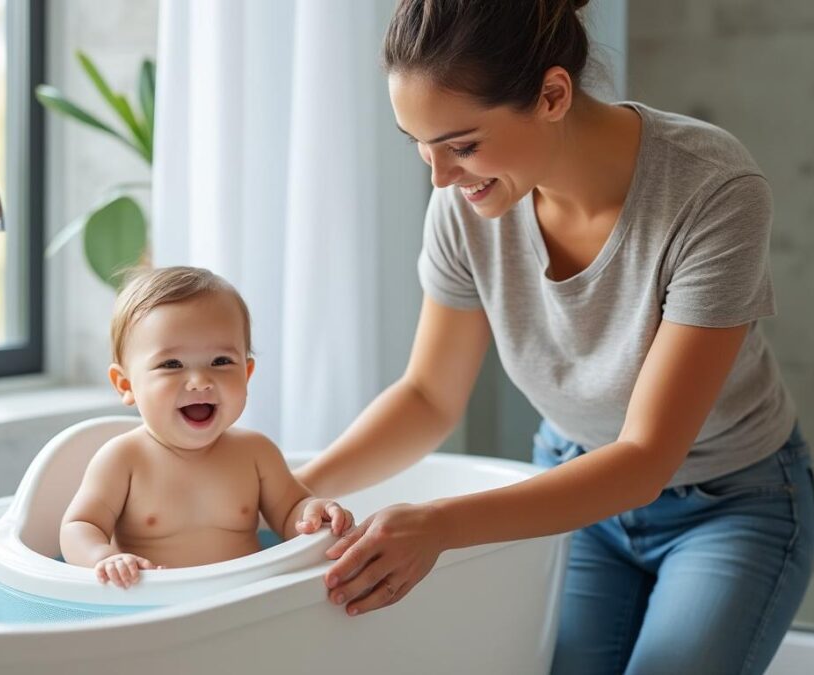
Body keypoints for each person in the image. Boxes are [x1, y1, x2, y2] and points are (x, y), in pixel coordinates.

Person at [293, 1, 813, 673]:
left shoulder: (711, 190)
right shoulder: (464, 207)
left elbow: (645, 458)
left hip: (729, 502)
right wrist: (288, 491)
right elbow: (428, 395)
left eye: (462, 145)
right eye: (420, 144)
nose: (440, 178)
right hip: (573, 483)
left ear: (552, 95)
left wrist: (440, 525)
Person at [60, 266, 354, 588]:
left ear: (246, 374)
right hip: (160, 606)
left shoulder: (255, 453)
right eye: (171, 364)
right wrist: (103, 557)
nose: (200, 381)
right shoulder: (123, 459)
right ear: (125, 384)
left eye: (221, 362)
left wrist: (312, 510)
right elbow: (79, 526)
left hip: (244, 600)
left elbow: (290, 512)